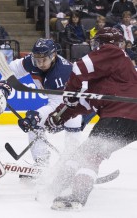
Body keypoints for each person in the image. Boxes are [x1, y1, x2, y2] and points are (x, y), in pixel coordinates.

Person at [43, 27, 137, 210]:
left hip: (121, 115)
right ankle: (57, 185)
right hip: (129, 123)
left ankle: (77, 196)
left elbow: (78, 68)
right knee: (86, 154)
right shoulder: (105, 78)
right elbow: (80, 104)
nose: (96, 49)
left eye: (97, 44)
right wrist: (56, 118)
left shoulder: (113, 53)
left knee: (89, 155)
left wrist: (69, 91)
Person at [8, 38, 83, 171]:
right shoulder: (33, 61)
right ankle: (41, 163)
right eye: (37, 59)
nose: (40, 63)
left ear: (53, 56)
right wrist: (4, 83)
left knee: (73, 122)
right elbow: (13, 69)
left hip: (78, 105)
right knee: (33, 124)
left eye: (44, 59)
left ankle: (72, 165)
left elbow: (60, 105)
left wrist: (39, 114)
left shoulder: (62, 73)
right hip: (61, 103)